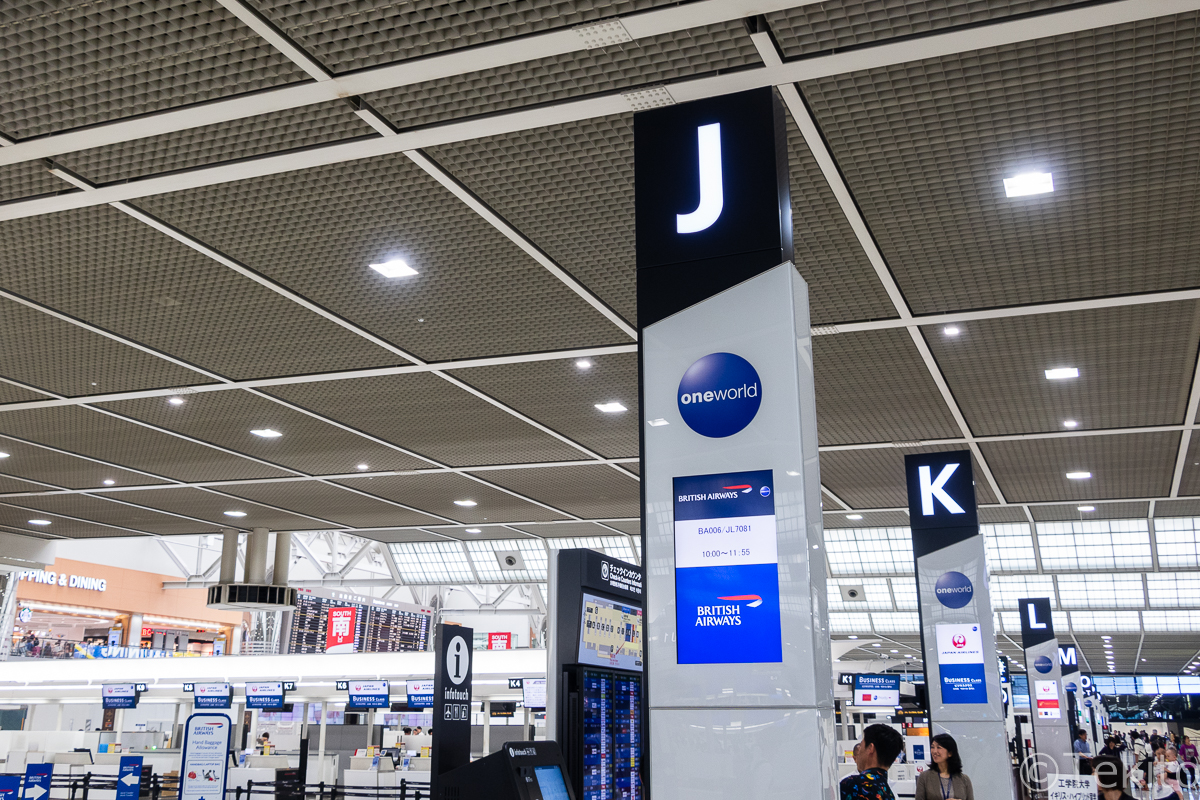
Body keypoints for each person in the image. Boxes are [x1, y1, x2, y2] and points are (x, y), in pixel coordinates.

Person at [840, 724, 905, 800]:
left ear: (871, 748)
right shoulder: (888, 792)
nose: (859, 751)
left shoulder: (852, 785)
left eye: (861, 745)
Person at [916, 733, 974, 800]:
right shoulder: (925, 777)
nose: (934, 751)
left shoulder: (964, 779)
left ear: (950, 753)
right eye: (932, 747)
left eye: (938, 747)